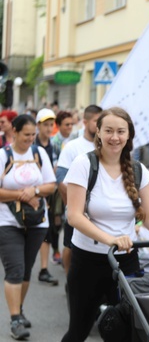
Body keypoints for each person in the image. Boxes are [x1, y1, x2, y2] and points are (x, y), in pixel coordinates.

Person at [61, 107, 149, 342]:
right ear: (98, 132)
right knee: (78, 331)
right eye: (108, 130)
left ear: (129, 135)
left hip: (126, 261)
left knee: (127, 332)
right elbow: (74, 216)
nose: (115, 137)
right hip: (87, 260)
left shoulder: (138, 170)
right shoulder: (84, 164)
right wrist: (109, 239)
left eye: (121, 131)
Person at [0, 114, 56, 340]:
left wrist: (33, 191)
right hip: (7, 222)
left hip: (37, 222)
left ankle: (19, 309)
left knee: (26, 270)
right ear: (14, 131)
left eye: (33, 135)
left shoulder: (39, 153)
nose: (30, 139)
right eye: (26, 135)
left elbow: (50, 186)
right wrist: (21, 195)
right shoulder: (3, 155)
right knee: (14, 269)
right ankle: (15, 320)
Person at [56, 104, 102, 275]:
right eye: (96, 121)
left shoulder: (106, 146)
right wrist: (76, 204)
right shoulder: (72, 147)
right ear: (85, 121)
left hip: (99, 210)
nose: (99, 125)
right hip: (77, 210)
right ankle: (70, 279)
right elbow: (61, 179)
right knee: (70, 245)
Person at [34, 108, 60, 286]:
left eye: (51, 124)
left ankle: (43, 268)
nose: (49, 128)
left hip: (49, 193)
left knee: (47, 230)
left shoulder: (55, 146)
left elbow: (57, 168)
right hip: (29, 193)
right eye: (45, 124)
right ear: (38, 125)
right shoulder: (31, 144)